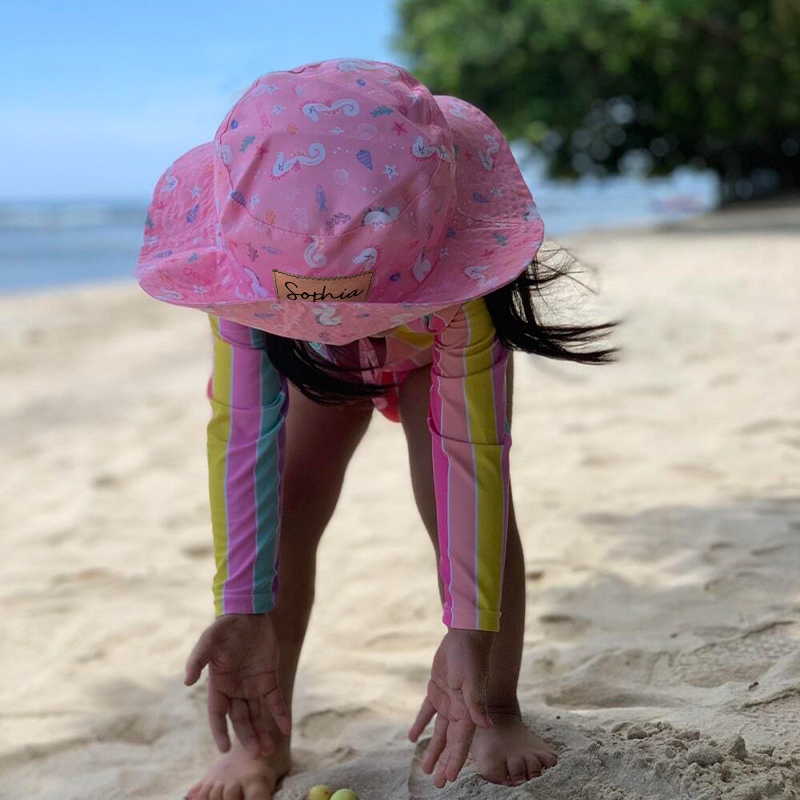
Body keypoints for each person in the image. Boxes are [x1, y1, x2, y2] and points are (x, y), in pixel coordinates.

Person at [136, 57, 620, 799]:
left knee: (454, 505)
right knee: (292, 501)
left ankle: (492, 705)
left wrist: (468, 632)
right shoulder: (244, 285)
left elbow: (473, 461)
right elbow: (242, 441)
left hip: (432, 354)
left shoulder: (464, 300)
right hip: (313, 365)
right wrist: (241, 605)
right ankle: (265, 741)